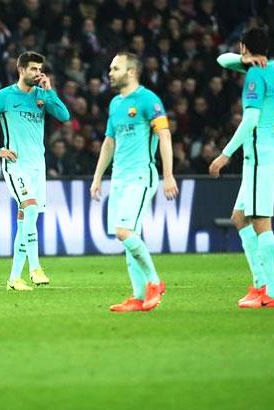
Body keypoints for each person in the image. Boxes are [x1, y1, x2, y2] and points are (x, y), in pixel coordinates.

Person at [90, 52, 179, 312]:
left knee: (123, 232)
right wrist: (97, 177)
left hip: (141, 176)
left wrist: (168, 174)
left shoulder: (149, 100)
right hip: (118, 177)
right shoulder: (115, 104)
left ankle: (154, 282)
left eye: (115, 68)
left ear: (131, 72)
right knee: (128, 237)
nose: (110, 73)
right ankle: (139, 297)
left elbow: (164, 136)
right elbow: (109, 142)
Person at [0, 51, 70, 291]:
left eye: (40, 69)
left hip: (38, 166)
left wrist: (49, 91)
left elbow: (64, 116)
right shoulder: (5, 96)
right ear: (21, 70)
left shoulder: (41, 95)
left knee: (26, 220)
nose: (38, 73)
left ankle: (14, 279)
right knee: (30, 207)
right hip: (16, 165)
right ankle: (35, 268)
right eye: (33, 69)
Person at [210, 27, 274, 308]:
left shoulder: (255, 74)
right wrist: (244, 60)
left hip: (259, 156)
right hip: (272, 151)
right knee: (240, 217)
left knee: (260, 221)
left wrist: (225, 154)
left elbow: (250, 120)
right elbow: (222, 60)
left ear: (244, 47)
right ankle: (259, 284)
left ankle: (273, 292)